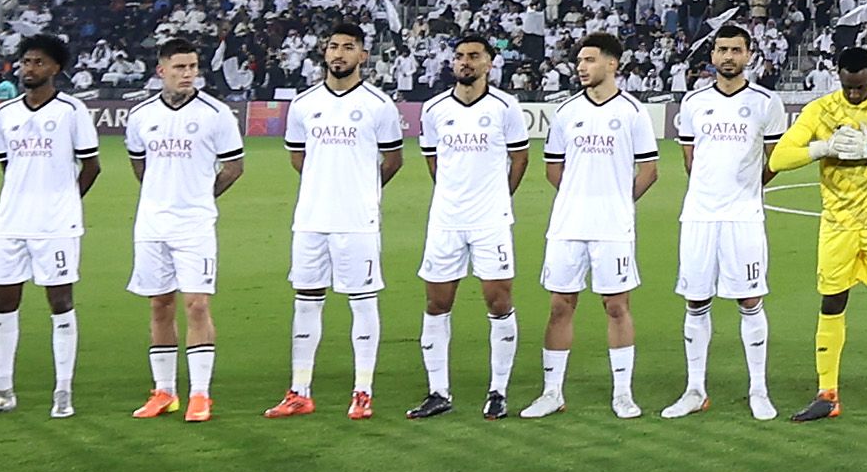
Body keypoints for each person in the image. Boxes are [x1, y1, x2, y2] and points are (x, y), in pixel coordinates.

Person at [768, 40, 867, 421]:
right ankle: (827, 394)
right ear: (839, 76)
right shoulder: (821, 110)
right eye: (848, 86)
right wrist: (823, 147)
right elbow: (780, 157)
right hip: (837, 226)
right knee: (832, 303)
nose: (854, 93)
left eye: (860, 86)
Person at [271, 25, 404, 418]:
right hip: (311, 219)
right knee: (306, 303)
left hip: (357, 221)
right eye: (333, 47)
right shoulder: (303, 103)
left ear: (363, 56)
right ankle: (299, 390)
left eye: (349, 47)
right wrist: (324, 184)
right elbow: (298, 157)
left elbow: (392, 160)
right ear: (324, 53)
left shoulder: (379, 105)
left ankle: (362, 391)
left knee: (362, 304)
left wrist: (363, 189)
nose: (339, 54)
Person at [0, 31, 99, 418]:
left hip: (56, 225)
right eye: (26, 61)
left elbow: (91, 165)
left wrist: (65, 201)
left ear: (56, 68)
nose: (30, 68)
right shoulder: (5, 114)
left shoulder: (72, 111)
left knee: (60, 302)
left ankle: (63, 391)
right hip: (10, 223)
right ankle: (2, 391)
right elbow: (7, 165)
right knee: (3, 303)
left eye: (39, 62)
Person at [531, 30, 660, 419]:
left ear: (611, 64)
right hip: (568, 225)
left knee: (617, 306)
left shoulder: (633, 112)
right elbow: (553, 169)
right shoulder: (567, 112)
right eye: (580, 61)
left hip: (614, 227)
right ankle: (552, 392)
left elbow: (650, 170)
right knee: (559, 306)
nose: (581, 67)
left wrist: (617, 201)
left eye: (589, 60)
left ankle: (623, 393)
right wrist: (579, 196)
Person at [661, 24, 788, 419]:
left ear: (749, 55)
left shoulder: (767, 102)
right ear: (712, 55)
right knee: (696, 299)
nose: (728, 56)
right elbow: (689, 159)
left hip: (743, 217)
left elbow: (775, 161)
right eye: (721, 50)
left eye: (736, 50)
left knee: (750, 300)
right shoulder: (694, 102)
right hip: (699, 215)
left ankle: (759, 390)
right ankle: (695, 389)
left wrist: (748, 187)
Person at [411, 33, 532, 418]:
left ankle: (498, 390)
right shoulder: (433, 109)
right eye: (460, 56)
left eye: (474, 56)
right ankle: (438, 392)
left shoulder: (506, 107)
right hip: (446, 221)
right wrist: (454, 195)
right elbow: (433, 162)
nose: (466, 62)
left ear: (489, 63)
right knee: (436, 303)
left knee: (499, 302)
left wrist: (497, 199)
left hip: (490, 222)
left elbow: (520, 160)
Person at [123, 37, 241, 420]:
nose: (188, 74)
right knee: (159, 305)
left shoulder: (216, 113)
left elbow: (233, 167)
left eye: (193, 67)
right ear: (162, 71)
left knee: (197, 304)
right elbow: (139, 165)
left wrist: (200, 199)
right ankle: (164, 392)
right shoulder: (141, 115)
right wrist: (161, 195)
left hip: (195, 224)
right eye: (180, 68)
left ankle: (201, 394)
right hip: (152, 223)